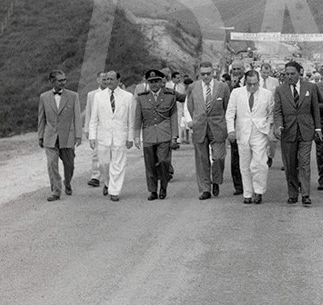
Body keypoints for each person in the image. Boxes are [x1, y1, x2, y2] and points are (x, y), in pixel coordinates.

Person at [273, 61, 322, 205]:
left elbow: (315, 110)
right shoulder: (280, 90)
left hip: (306, 131)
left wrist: (318, 128)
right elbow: (277, 111)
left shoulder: (310, 87)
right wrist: (279, 126)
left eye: (292, 74)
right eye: (287, 74)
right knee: (290, 164)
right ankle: (293, 193)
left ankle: (305, 194)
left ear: (300, 73)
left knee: (305, 162)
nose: (289, 77)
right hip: (288, 132)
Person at [226, 69, 274, 204]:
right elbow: (230, 113)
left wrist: (269, 126)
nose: (252, 87)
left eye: (255, 84)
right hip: (243, 132)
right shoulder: (236, 93)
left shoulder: (267, 94)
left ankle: (258, 191)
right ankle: (247, 193)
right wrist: (231, 130)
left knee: (259, 163)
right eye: (249, 84)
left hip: (260, 132)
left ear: (259, 82)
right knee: (245, 164)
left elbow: (271, 113)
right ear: (245, 82)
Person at [186, 61, 230, 200]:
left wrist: (229, 127)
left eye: (208, 74)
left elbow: (228, 107)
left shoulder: (222, 87)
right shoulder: (193, 87)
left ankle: (216, 180)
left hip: (218, 127)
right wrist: (191, 120)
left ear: (213, 73)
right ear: (199, 73)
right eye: (203, 74)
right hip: (200, 127)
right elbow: (189, 106)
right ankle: (205, 189)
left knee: (218, 157)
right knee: (201, 159)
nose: (205, 77)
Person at [133, 69, 179, 201]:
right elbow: (138, 118)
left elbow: (173, 117)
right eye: (151, 82)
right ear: (147, 83)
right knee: (150, 164)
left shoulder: (170, 96)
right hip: (148, 135)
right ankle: (152, 190)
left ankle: (163, 186)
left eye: (156, 81)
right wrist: (136, 136)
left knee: (164, 162)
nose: (154, 84)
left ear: (161, 82)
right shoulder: (142, 97)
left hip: (165, 135)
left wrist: (174, 136)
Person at [88, 70, 134, 202]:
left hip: (120, 135)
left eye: (111, 79)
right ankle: (108, 183)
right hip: (103, 136)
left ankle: (115, 191)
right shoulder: (98, 96)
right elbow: (94, 119)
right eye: (106, 79)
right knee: (104, 164)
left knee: (118, 164)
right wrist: (92, 137)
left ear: (118, 81)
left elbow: (130, 120)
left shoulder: (128, 96)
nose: (108, 82)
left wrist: (130, 138)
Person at [37, 70, 83, 202]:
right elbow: (41, 118)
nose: (63, 82)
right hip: (50, 136)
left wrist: (78, 135)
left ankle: (67, 182)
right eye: (60, 80)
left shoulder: (73, 96)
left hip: (67, 136)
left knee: (69, 164)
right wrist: (40, 136)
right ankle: (56, 190)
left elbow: (77, 117)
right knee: (52, 164)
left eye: (64, 80)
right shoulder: (44, 97)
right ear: (52, 81)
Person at [226, 60, 247, 195]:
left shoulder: (251, 81)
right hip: (235, 125)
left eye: (239, 69)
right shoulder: (227, 86)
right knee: (235, 156)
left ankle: (249, 183)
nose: (236, 72)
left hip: (249, 124)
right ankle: (238, 185)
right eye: (234, 69)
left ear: (243, 69)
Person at [83, 71, 106, 188]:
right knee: (95, 153)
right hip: (96, 128)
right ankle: (95, 176)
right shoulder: (92, 95)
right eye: (102, 78)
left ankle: (107, 176)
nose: (104, 80)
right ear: (97, 80)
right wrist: (87, 129)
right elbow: (89, 113)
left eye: (106, 78)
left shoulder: (112, 94)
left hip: (109, 129)